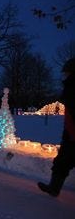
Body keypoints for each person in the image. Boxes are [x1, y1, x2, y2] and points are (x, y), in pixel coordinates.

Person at [38, 58, 75, 197]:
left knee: (64, 160)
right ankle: (54, 187)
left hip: (72, 132)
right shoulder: (70, 86)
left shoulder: (72, 86)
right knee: (62, 161)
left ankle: (54, 188)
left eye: (66, 72)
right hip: (70, 131)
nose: (63, 75)